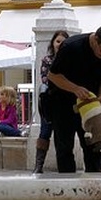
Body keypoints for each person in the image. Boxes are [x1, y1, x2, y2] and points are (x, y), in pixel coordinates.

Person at [47, 25, 101, 173]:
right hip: (63, 102)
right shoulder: (71, 46)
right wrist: (75, 88)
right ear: (95, 40)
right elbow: (53, 75)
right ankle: (67, 187)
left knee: (93, 147)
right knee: (64, 148)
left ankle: (94, 186)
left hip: (90, 105)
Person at [34, 30, 68, 173]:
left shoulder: (70, 60)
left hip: (65, 102)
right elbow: (46, 79)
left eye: (63, 42)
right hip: (49, 102)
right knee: (45, 132)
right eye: (58, 41)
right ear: (53, 43)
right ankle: (38, 166)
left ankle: (64, 166)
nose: (60, 44)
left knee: (63, 135)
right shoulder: (47, 60)